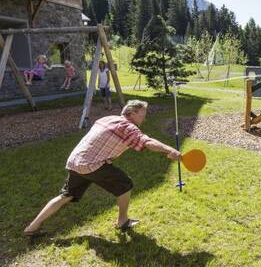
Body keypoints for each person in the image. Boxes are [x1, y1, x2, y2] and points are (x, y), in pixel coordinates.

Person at [24, 100, 181, 236]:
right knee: (125, 185)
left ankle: (32, 226)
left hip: (75, 161)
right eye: (142, 114)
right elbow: (147, 142)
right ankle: (122, 221)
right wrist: (170, 150)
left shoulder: (108, 118)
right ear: (132, 113)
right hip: (92, 164)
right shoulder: (128, 127)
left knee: (66, 195)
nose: (144, 117)